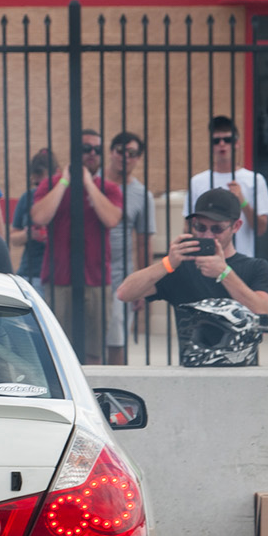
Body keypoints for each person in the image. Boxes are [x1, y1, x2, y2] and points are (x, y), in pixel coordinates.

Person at [116, 189, 268, 368]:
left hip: (243, 373)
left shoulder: (256, 267)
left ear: (236, 226)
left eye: (216, 229)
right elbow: (124, 293)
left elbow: (262, 311)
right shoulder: (181, 268)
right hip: (191, 373)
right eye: (200, 227)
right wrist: (167, 263)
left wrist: (224, 273)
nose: (207, 235)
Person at [29, 133, 122, 363]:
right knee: (56, 352)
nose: (92, 154)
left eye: (97, 150)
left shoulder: (109, 188)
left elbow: (111, 219)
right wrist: (64, 181)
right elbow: (39, 217)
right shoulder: (51, 185)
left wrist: (88, 183)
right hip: (58, 279)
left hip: (96, 280)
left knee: (93, 352)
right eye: (86, 148)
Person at [186, 116, 268, 259]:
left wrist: (242, 201)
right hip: (207, 259)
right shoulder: (197, 181)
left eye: (227, 140)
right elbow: (189, 226)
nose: (222, 144)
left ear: (237, 143)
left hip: (243, 259)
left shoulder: (254, 180)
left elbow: (261, 229)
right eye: (216, 141)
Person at [104, 132, 156, 366]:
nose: (125, 157)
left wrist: (144, 286)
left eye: (132, 153)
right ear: (111, 152)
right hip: (87, 277)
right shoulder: (91, 183)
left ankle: (115, 386)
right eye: (120, 151)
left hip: (120, 280)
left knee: (116, 342)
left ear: (138, 158)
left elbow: (144, 242)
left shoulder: (142, 195)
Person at [10, 148, 57, 294]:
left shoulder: (64, 198)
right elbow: (13, 238)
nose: (40, 189)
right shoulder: (27, 198)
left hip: (58, 276)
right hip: (30, 273)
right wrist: (28, 234)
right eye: (37, 185)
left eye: (44, 184)